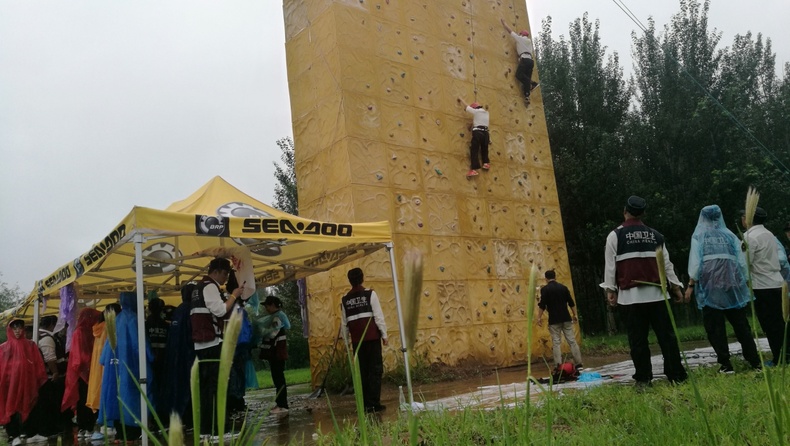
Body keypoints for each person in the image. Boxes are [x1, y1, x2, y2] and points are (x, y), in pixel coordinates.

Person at [601, 195, 688, 387]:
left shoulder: (616, 235)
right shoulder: (656, 235)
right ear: (643, 213)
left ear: (625, 211)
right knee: (667, 338)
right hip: (658, 296)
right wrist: (676, 288)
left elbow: (610, 267)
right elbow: (667, 265)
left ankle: (643, 379)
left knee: (638, 341)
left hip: (631, 298)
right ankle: (676, 375)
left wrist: (610, 290)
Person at [684, 205, 761, 373]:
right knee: (741, 325)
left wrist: (690, 285)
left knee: (715, 327)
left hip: (710, 289)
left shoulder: (699, 236)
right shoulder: (730, 235)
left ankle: (726, 364)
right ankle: (755, 362)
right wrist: (747, 283)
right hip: (733, 288)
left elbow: (696, 265)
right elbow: (741, 262)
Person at [190, 257, 245, 437]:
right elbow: (220, 310)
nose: (226, 279)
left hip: (200, 343)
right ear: (217, 271)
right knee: (217, 387)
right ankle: (218, 431)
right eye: (225, 274)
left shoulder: (197, 289)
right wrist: (235, 294)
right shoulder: (210, 286)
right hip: (212, 343)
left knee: (206, 389)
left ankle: (207, 430)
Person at [742, 207, 790, 365]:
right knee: (781, 322)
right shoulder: (769, 234)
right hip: (777, 282)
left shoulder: (749, 237)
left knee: (770, 325)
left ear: (748, 218)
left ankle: (779, 359)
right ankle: (785, 355)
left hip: (762, 286)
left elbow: (745, 264)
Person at [341, 267, 388, 413]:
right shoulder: (370, 294)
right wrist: (384, 335)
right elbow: (378, 317)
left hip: (357, 342)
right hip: (372, 339)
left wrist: (346, 341)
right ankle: (374, 403)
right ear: (362, 278)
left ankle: (365, 404)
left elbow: (344, 324)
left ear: (349, 280)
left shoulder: (345, 300)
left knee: (361, 371)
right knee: (375, 370)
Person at [0, 319, 48, 446]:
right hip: (10, 385)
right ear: (10, 330)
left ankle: (31, 433)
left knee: (30, 405)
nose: (17, 330)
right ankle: (13, 435)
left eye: (20, 328)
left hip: (29, 383)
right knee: (12, 408)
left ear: (23, 329)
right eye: (14, 328)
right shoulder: (4, 348)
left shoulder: (30, 345)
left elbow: (38, 363)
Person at [61, 308, 102, 440]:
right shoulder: (80, 332)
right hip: (82, 373)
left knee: (87, 399)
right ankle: (85, 427)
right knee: (84, 399)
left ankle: (86, 427)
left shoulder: (89, 331)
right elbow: (79, 356)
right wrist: (89, 364)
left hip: (88, 371)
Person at [161, 283, 197, 427]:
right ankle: (189, 419)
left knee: (176, 388)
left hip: (174, 357)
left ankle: (178, 417)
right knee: (188, 388)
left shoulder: (178, 312)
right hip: (188, 357)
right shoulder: (191, 311)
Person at [30, 315, 69, 437]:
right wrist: (55, 372)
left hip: (43, 376)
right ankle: (49, 429)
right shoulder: (47, 338)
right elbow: (50, 358)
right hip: (49, 377)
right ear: (52, 325)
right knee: (50, 403)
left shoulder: (37, 335)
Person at [536, 270, 583, 371]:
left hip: (554, 320)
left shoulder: (545, 290)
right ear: (555, 277)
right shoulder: (563, 288)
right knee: (572, 341)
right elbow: (571, 302)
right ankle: (579, 363)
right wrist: (575, 314)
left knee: (556, 343)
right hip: (566, 318)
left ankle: (558, 365)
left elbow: (542, 305)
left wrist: (539, 317)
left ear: (546, 279)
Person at [259, 295, 290, 415]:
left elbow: (272, 333)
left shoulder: (278, 317)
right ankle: (280, 403)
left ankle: (283, 405)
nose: (266, 308)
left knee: (279, 378)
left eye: (267, 305)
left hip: (277, 353)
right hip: (276, 353)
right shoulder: (276, 316)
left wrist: (261, 330)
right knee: (277, 377)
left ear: (272, 305)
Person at [500, 18, 539, 105]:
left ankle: (532, 83)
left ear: (521, 34)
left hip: (524, 60)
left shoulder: (520, 39)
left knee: (519, 75)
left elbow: (510, 32)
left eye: (520, 34)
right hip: (530, 61)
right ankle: (527, 96)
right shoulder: (529, 42)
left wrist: (504, 23)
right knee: (526, 80)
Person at [145, 297, 169, 418]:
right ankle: (161, 416)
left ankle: (152, 417)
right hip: (163, 362)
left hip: (148, 364)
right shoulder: (165, 326)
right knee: (162, 390)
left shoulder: (145, 325)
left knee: (151, 391)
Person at [459, 98, 490, 178]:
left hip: (478, 133)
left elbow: (467, 107)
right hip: (486, 133)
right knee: (484, 149)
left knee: (474, 150)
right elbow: (477, 120)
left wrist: (461, 99)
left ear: (475, 108)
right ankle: (486, 163)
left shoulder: (476, 111)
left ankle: (474, 169)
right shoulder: (486, 113)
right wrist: (471, 125)